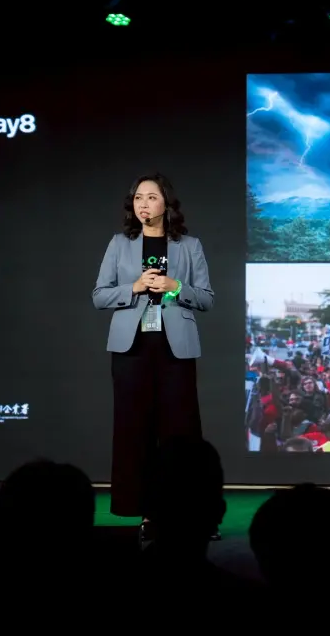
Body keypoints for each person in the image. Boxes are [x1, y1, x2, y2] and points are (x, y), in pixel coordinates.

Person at [92, 173, 214, 529]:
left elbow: (206, 299)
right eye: (138, 198)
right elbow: (99, 295)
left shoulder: (190, 246)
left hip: (175, 348)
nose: (143, 204)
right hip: (131, 348)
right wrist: (133, 287)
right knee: (134, 428)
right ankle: (144, 508)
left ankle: (191, 511)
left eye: (151, 197)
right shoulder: (119, 244)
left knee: (181, 431)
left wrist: (176, 286)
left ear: (167, 203)